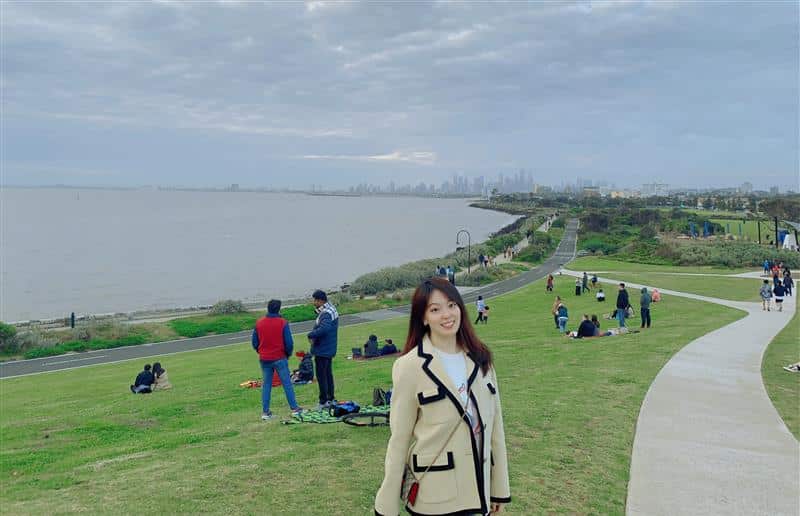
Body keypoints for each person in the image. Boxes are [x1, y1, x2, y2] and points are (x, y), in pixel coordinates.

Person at [374, 278, 510, 515]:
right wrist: (386, 505)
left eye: (451, 305)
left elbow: (495, 428)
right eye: (435, 309)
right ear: (424, 318)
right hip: (435, 495)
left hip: (478, 489)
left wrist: (499, 488)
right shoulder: (409, 366)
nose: (446, 315)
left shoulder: (481, 357)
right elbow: (399, 439)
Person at [252, 299, 303, 420]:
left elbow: (254, 342)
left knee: (266, 385)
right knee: (287, 383)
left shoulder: (259, 323)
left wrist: (260, 351)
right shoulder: (282, 323)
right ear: (279, 309)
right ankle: (294, 408)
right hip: (280, 357)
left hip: (265, 358)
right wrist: (288, 354)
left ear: (268, 308)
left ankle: (265, 412)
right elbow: (289, 342)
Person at [308, 289, 339, 410]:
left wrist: (311, 334)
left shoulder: (326, 313)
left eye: (315, 300)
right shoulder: (331, 309)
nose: (314, 303)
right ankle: (330, 398)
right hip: (329, 348)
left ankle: (323, 401)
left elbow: (325, 328)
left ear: (320, 300)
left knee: (322, 376)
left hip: (323, 349)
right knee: (328, 375)